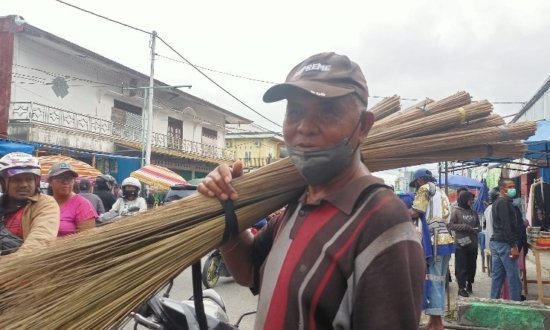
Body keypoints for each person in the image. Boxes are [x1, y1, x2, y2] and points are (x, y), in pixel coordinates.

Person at [198, 52, 425, 329]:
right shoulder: (298, 205)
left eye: (327, 112)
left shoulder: (382, 221)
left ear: (364, 126)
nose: (304, 127)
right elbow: (249, 271)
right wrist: (224, 203)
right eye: (294, 112)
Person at [409, 168, 454, 330]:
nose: (416, 187)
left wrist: (398, 212)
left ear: (421, 179)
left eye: (416, 183)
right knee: (440, 280)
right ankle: (435, 321)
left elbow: (416, 211)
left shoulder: (425, 188)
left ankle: (436, 324)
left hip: (434, 241)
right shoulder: (441, 192)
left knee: (434, 280)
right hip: (445, 239)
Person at [0, 152, 60, 255]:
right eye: (16, 180)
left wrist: (8, 265)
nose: (24, 185)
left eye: (29, 179)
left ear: (36, 182)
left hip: (22, 266)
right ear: (3, 183)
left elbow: (40, 241)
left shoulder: (45, 203)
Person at [490, 178, 522, 301]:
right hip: (505, 244)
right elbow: (507, 226)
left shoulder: (499, 202)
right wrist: (513, 245)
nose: (513, 189)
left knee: (497, 277)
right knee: (513, 277)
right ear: (502, 189)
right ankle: (516, 305)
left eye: (513, 186)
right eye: (510, 187)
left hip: (497, 242)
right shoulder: (503, 203)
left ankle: (493, 303)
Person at [47, 162, 97, 236]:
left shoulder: (82, 204)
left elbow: (87, 239)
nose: (65, 182)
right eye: (60, 178)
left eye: (69, 178)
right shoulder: (44, 203)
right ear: (50, 182)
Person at [448, 190, 480, 297]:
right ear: (464, 200)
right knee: (461, 266)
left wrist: (477, 229)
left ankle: (469, 283)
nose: (472, 202)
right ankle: (461, 288)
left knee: (472, 265)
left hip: (473, 243)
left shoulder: (473, 212)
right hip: (461, 244)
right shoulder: (456, 211)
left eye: (472, 200)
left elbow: (478, 225)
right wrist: (464, 227)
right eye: (470, 200)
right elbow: (450, 225)